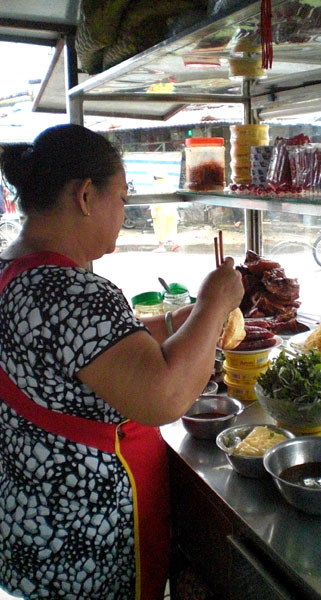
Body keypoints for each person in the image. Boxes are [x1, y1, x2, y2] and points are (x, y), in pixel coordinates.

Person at [0, 124, 243, 600]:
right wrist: (215, 302)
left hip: (31, 518)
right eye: (123, 198)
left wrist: (183, 319)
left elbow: (102, 352)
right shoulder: (74, 292)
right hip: (82, 540)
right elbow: (164, 397)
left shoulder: (15, 269)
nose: (124, 212)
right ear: (86, 196)